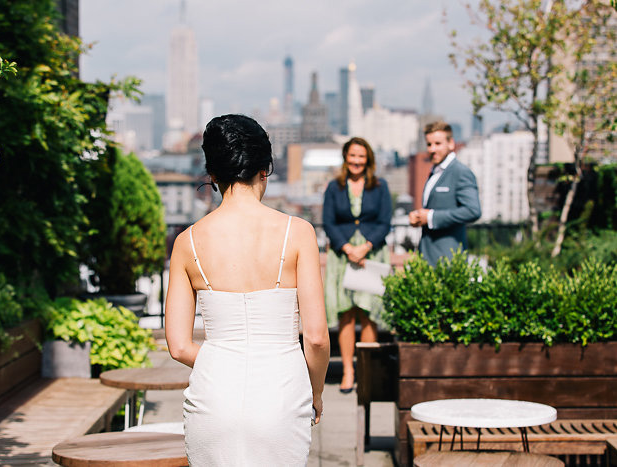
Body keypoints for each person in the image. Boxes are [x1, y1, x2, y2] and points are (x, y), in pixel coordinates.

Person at [165, 114, 330, 466]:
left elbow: (178, 346)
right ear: (264, 170)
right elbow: (315, 338)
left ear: (212, 175)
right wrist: (315, 393)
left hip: (213, 394)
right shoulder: (298, 233)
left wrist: (224, 357)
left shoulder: (186, 242)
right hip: (283, 392)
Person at [322, 137, 392, 394]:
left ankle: (366, 372)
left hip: (371, 255)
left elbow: (385, 222)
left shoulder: (380, 186)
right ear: (345, 157)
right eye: (352, 156)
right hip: (342, 256)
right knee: (346, 315)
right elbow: (328, 222)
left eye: (361, 156)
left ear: (368, 159)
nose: (356, 161)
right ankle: (349, 371)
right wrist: (348, 248)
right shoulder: (333, 187)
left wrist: (366, 247)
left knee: (369, 314)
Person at [409, 121, 481, 265]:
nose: (432, 149)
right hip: (427, 257)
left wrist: (431, 217)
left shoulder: (460, 172)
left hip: (449, 260)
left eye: (438, 143)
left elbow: (473, 211)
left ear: (451, 143)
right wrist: (419, 217)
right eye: (429, 144)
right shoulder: (434, 172)